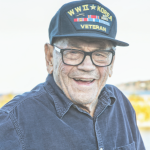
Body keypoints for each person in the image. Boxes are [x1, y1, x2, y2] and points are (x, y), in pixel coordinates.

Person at [0, 0, 145, 149]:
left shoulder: (120, 105)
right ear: (50, 57)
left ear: (112, 62)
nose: (87, 66)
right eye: (73, 52)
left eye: (100, 54)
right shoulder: (12, 122)